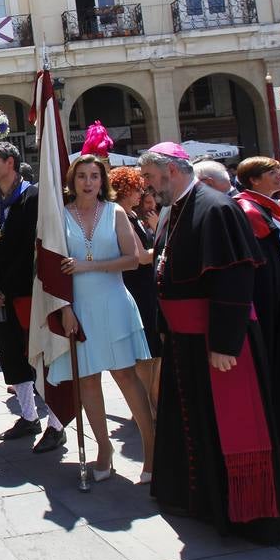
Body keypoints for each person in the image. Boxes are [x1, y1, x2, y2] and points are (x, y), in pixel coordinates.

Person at [139, 145, 280, 543]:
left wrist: (225, 343)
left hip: (217, 343)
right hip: (185, 342)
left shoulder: (216, 208)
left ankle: (243, 516)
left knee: (229, 427)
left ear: (171, 171)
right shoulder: (177, 209)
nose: (148, 187)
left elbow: (234, 279)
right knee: (199, 425)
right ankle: (204, 503)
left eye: (151, 178)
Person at [47, 157, 155, 481]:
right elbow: (51, 270)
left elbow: (132, 260)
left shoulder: (115, 211)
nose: (88, 182)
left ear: (102, 180)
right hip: (78, 307)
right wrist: (65, 309)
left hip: (114, 303)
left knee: (125, 375)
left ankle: (152, 450)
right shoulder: (60, 216)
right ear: (72, 180)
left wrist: (87, 266)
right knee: (88, 380)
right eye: (82, 176)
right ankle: (103, 449)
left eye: (94, 176)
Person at [0, 141, 66, 452]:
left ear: (10, 163)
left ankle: (57, 424)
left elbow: (35, 247)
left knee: (41, 358)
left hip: (29, 293)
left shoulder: (34, 197)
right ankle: (29, 416)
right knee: (11, 356)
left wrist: (4, 286)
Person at [232, 157, 280, 484]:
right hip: (275, 297)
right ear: (254, 180)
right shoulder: (249, 209)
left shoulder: (266, 206)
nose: (279, 176)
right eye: (272, 172)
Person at [109, 167, 163, 420]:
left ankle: (152, 401)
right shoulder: (122, 216)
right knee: (146, 350)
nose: (141, 193)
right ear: (125, 189)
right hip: (138, 288)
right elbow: (141, 257)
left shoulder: (131, 215)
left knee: (153, 350)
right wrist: (164, 240)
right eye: (137, 188)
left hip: (145, 286)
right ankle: (148, 405)